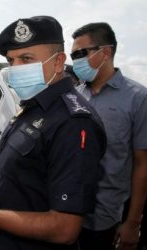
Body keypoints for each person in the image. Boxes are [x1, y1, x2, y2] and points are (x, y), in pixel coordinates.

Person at [0, 16, 106, 250]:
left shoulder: (74, 124)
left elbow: (64, 228)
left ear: (59, 62)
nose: (15, 68)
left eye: (26, 59)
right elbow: (19, 168)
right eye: (11, 60)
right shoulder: (33, 104)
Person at [71, 22, 147, 250]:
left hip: (107, 216)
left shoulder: (137, 98)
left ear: (105, 52)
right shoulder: (74, 95)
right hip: (68, 211)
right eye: (73, 55)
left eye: (80, 53)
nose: (75, 61)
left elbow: (142, 164)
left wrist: (133, 223)